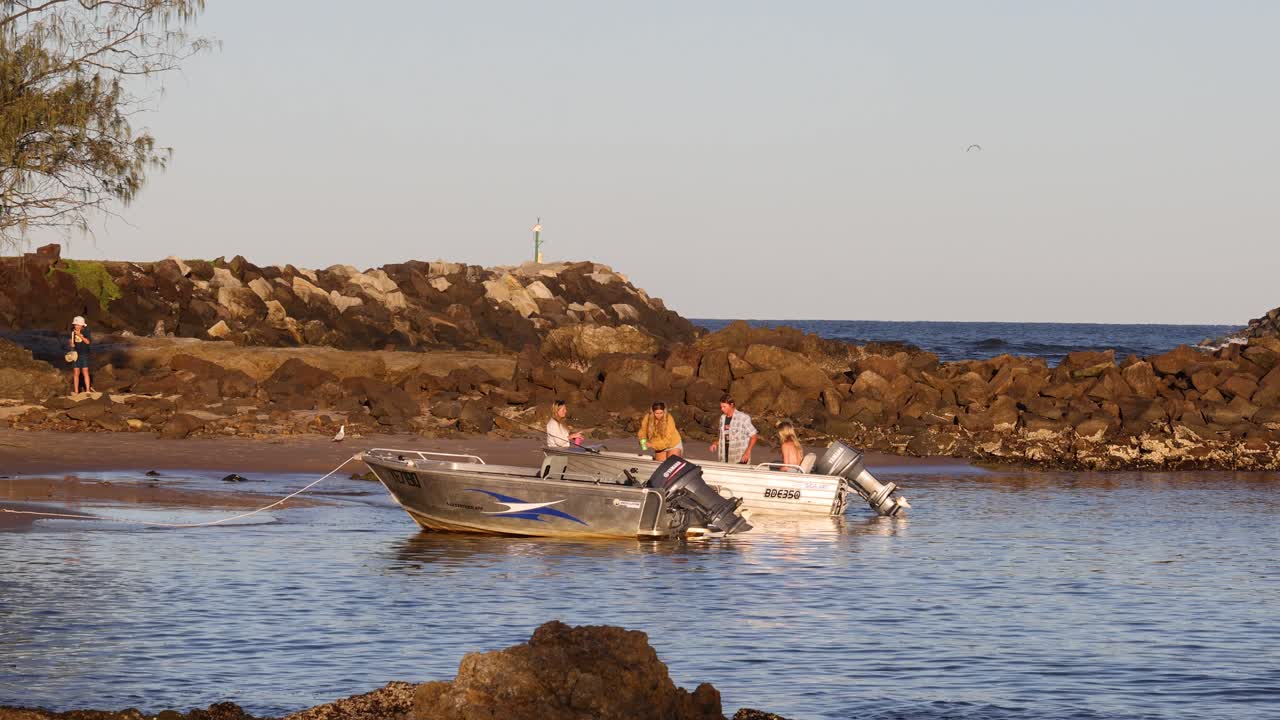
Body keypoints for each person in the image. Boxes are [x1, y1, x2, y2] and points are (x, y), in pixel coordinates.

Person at [709, 394, 758, 464]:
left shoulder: (743, 418)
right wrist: (715, 444)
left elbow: (754, 436)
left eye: (724, 407)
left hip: (740, 458)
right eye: (721, 407)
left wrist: (748, 452)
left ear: (731, 405)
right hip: (724, 458)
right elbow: (724, 438)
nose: (722, 409)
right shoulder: (722, 418)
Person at [69, 315, 93, 394]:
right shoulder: (73, 332)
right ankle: (76, 391)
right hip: (76, 354)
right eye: (75, 325)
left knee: (85, 371)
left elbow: (88, 342)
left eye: (78, 325)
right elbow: (72, 342)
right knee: (76, 372)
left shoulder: (86, 331)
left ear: (82, 325)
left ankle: (88, 390)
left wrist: (79, 335)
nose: (76, 326)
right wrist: (71, 344)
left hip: (84, 354)